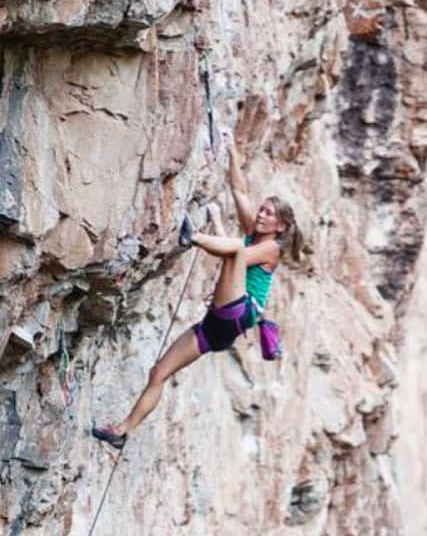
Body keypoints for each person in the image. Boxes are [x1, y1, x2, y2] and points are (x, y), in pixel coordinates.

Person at [91, 140, 302, 448]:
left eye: (269, 214)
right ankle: (122, 431)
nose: (261, 214)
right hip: (215, 327)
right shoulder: (254, 237)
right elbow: (240, 191)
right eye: (263, 209)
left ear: (280, 226)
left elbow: (236, 255)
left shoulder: (270, 248)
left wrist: (209, 231)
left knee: (238, 254)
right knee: (159, 372)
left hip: (239, 313)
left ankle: (194, 237)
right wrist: (231, 151)